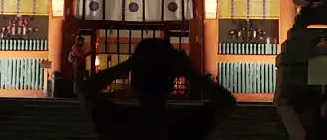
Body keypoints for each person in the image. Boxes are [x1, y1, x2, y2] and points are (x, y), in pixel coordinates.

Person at [79, 38, 235, 139]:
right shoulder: (183, 124)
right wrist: (189, 72)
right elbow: (226, 103)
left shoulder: (120, 121)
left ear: (134, 81)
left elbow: (86, 91)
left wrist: (128, 65)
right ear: (171, 84)